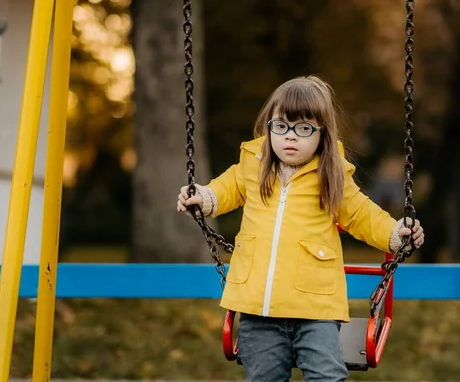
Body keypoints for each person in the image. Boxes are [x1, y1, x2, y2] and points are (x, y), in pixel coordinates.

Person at [176, 75, 424, 382]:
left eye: (303, 128)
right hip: (258, 308)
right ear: (269, 127)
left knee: (327, 377)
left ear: (322, 133)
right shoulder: (252, 164)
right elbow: (224, 189)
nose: (290, 137)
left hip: (315, 309)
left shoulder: (330, 173)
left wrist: (395, 233)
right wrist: (202, 197)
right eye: (281, 126)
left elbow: (360, 214)